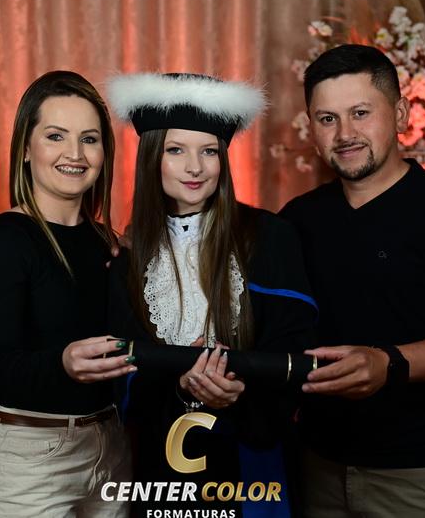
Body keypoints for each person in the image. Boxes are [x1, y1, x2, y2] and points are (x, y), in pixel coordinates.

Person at [280, 44, 425, 517]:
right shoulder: (296, 220)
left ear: (400, 114)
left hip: (420, 470)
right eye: (327, 119)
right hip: (316, 461)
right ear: (312, 129)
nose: (345, 133)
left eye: (361, 113)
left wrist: (389, 363)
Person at [106, 72, 318, 517]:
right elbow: (118, 374)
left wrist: (239, 388)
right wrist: (181, 384)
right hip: (162, 464)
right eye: (176, 150)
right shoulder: (127, 261)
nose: (195, 167)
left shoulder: (269, 237)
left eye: (209, 151)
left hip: (252, 460)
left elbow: (296, 346)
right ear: (151, 158)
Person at [0, 70, 134, 517]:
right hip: (27, 461)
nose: (74, 154)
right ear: (26, 148)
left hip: (110, 450)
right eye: (56, 136)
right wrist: (62, 363)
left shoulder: (111, 245)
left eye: (89, 139)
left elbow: (131, 351)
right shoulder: (3, 240)